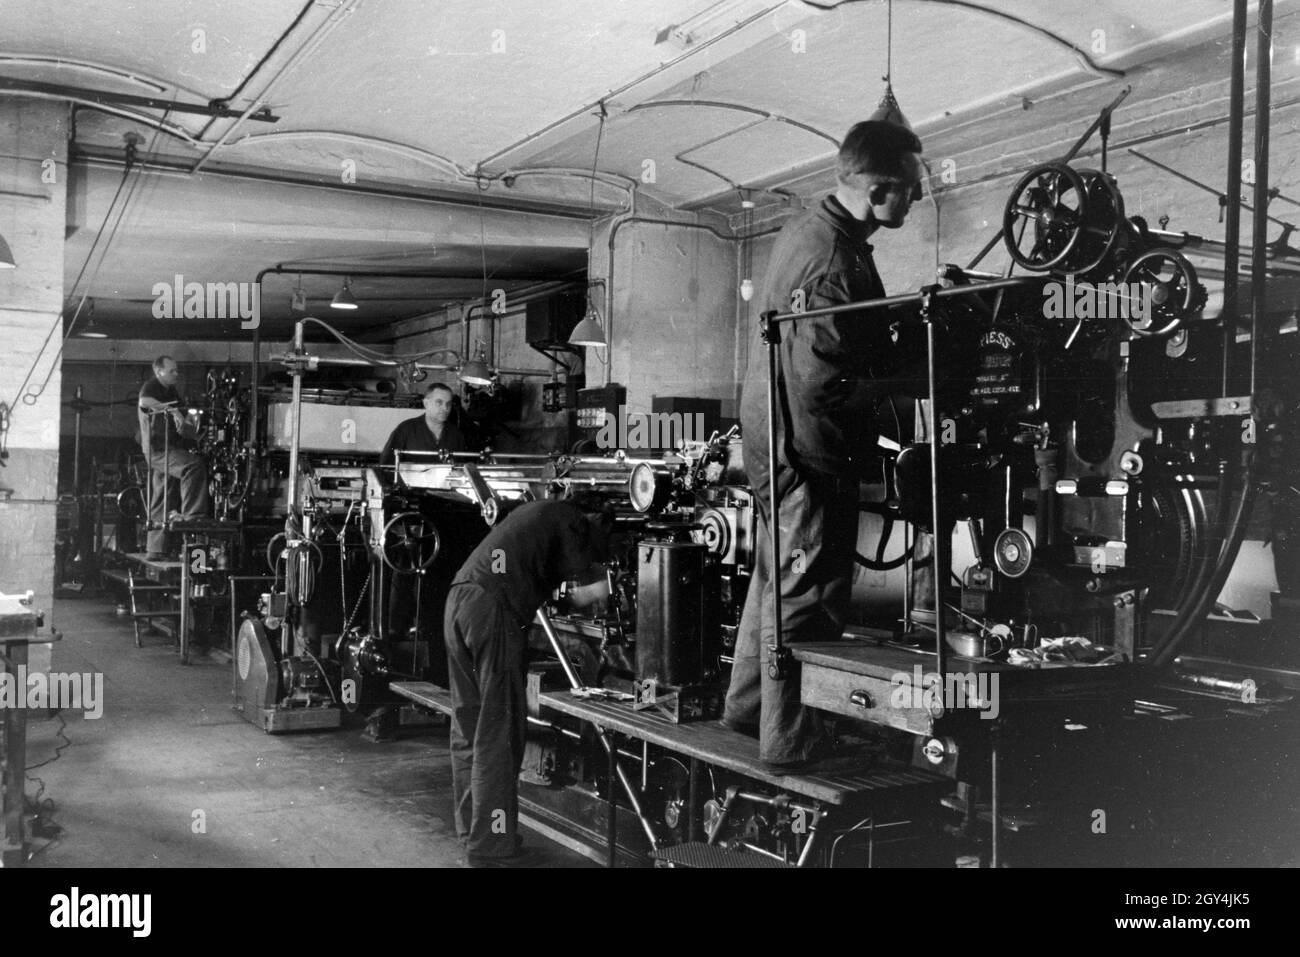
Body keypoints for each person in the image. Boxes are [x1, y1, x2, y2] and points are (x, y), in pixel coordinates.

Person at [723, 118, 926, 770]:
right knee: (807, 592)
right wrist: (851, 463)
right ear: (880, 187)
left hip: (767, 437)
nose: (919, 196)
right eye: (912, 187)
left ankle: (749, 708)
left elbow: (822, 340)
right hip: (802, 449)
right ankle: (791, 741)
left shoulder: (811, 228)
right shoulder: (837, 260)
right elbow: (822, 390)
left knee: (775, 575)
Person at [443, 497, 612, 866]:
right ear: (595, 518)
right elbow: (584, 589)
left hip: (459, 600)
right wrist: (603, 588)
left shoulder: (537, 513)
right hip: (492, 612)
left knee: (469, 727)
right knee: (498, 734)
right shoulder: (571, 520)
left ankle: (473, 831)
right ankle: (491, 842)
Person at [137, 356, 210, 560]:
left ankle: (155, 549)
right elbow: (144, 402)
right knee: (193, 466)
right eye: (172, 371)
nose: (176, 374)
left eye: (177, 370)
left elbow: (186, 419)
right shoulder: (151, 386)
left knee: (162, 494)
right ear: (159, 371)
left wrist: (194, 428)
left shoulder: (171, 391)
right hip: (157, 449)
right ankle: (192, 518)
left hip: (167, 447)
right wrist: (174, 411)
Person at [379, 381, 466, 465]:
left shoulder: (456, 435)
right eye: (439, 402)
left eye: (448, 404)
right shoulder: (406, 430)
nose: (445, 408)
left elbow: (462, 468)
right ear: (426, 403)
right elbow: (386, 465)